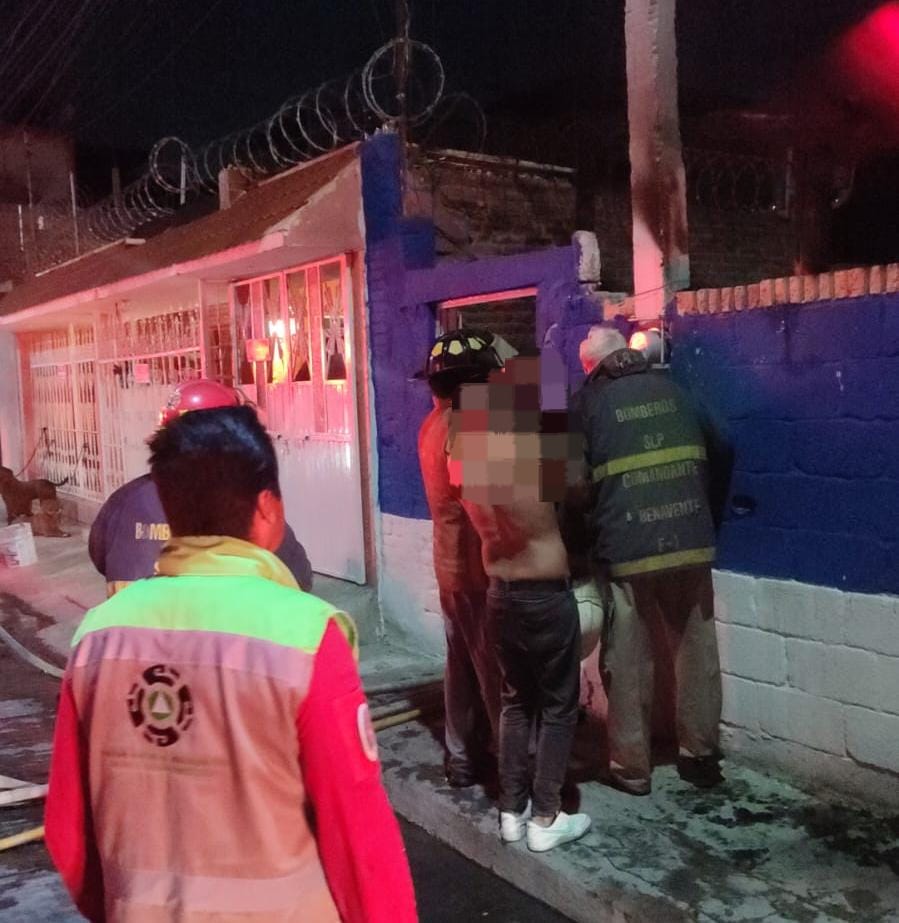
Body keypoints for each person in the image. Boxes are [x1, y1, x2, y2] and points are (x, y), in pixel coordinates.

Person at [45, 405, 417, 923]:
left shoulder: (95, 637)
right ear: (267, 509)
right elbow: (360, 842)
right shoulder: (306, 635)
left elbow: (67, 834)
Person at [572, 325, 734, 796]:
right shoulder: (676, 388)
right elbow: (723, 444)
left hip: (626, 547)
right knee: (696, 649)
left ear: (593, 368)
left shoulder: (587, 404)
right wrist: (709, 513)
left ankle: (631, 769)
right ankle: (700, 756)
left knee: (628, 660)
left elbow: (566, 482)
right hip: (691, 537)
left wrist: (580, 542)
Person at [449, 353, 591, 853]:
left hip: (499, 595)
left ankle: (512, 810)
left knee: (514, 703)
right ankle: (546, 816)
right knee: (557, 707)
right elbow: (578, 488)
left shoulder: (469, 460)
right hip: (545, 594)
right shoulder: (536, 455)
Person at [88, 379, 313, 597]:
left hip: (132, 625)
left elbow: (99, 557)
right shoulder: (244, 502)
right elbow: (299, 577)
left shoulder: (123, 500)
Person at [416, 330, 503, 787]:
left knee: (461, 663)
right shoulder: (463, 428)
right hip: (475, 569)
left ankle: (462, 757)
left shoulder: (433, 425)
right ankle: (505, 765)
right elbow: (481, 505)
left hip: (450, 567)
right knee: (492, 669)